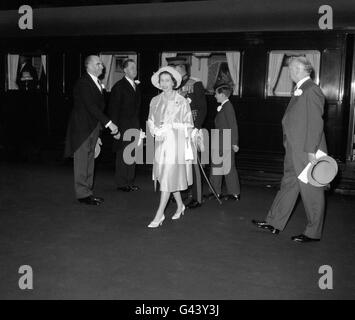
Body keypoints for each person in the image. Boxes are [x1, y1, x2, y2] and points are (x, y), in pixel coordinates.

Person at [252, 56, 327, 243]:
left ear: (305, 70)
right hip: (295, 148)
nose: (290, 70)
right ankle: (274, 222)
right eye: (290, 67)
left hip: (306, 150)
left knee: (312, 192)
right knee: (289, 185)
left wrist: (311, 151)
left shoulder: (312, 89)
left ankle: (313, 232)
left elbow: (316, 123)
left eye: (294, 67)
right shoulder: (300, 89)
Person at [64, 55, 119, 205]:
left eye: (101, 64)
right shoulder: (83, 83)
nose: (102, 66)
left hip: (92, 127)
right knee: (82, 161)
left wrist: (99, 131)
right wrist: (109, 124)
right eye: (98, 64)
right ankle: (83, 194)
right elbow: (91, 107)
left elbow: (97, 108)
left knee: (89, 161)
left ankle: (87, 192)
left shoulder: (95, 83)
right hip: (82, 128)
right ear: (88, 66)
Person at [147, 66, 194, 228]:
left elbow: (189, 124)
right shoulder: (155, 100)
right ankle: (180, 205)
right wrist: (155, 130)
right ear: (158, 83)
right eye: (162, 81)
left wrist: (171, 126)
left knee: (167, 177)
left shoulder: (181, 101)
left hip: (176, 144)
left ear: (174, 82)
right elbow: (150, 121)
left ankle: (159, 215)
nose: (165, 83)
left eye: (168, 80)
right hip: (161, 144)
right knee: (167, 177)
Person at [166, 56, 207, 209]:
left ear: (180, 69)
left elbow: (202, 108)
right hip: (176, 130)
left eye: (173, 69)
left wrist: (195, 128)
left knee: (194, 164)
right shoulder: (172, 85)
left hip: (191, 129)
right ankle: (181, 193)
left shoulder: (195, 84)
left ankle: (197, 197)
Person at [108, 59, 141, 192]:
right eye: (132, 68)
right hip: (122, 126)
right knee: (123, 155)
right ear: (125, 70)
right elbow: (113, 109)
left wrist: (139, 126)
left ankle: (129, 181)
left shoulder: (136, 86)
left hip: (134, 125)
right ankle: (122, 183)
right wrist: (115, 129)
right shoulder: (119, 86)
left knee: (132, 155)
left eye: (135, 68)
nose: (135, 70)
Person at [206, 84, 240, 201]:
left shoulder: (228, 107)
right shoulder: (224, 106)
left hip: (225, 138)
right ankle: (215, 192)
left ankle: (234, 193)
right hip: (220, 138)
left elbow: (233, 125)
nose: (214, 96)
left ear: (222, 95)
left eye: (216, 93)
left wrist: (234, 143)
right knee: (217, 166)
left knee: (227, 167)